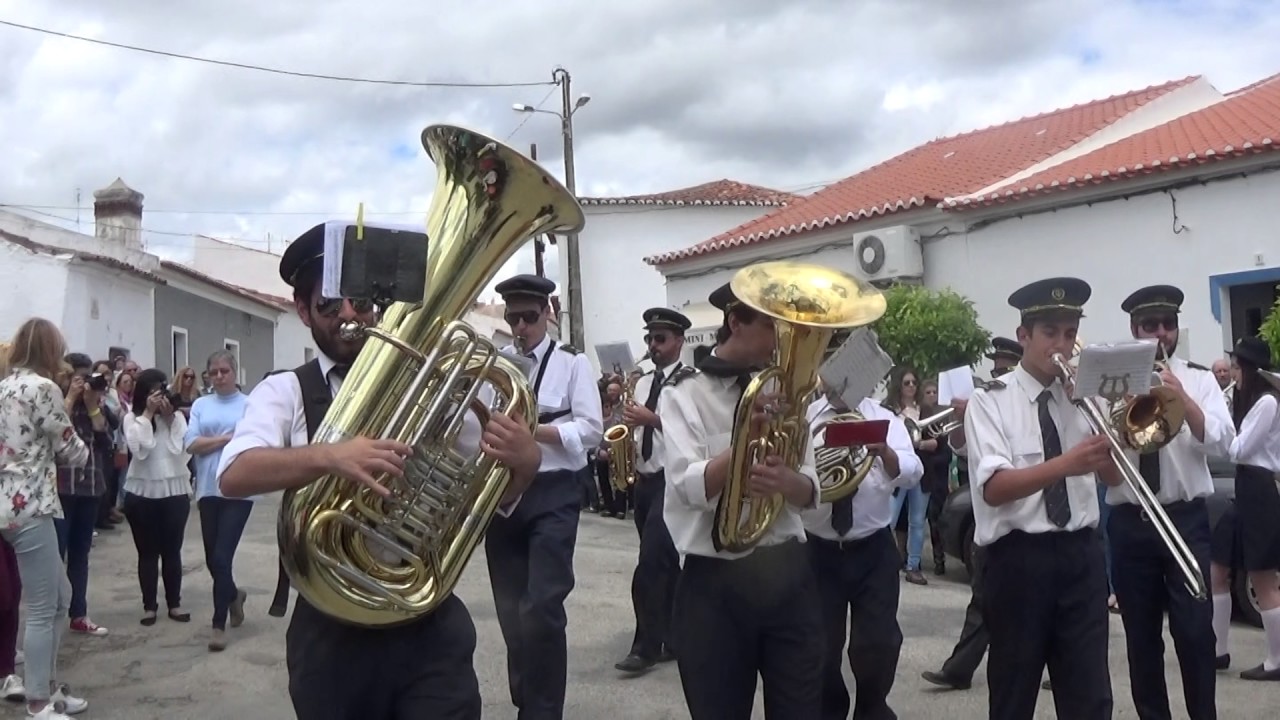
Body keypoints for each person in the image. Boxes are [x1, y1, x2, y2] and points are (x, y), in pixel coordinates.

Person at [216, 221, 542, 719]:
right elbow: (235, 473)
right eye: (329, 305)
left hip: (426, 620)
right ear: (302, 310)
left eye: (361, 303)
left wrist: (524, 462)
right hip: (330, 630)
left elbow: (486, 487)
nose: (349, 315)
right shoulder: (285, 390)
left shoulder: (436, 381)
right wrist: (332, 456)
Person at [659, 281, 825, 719]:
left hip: (789, 575)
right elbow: (685, 487)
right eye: (774, 326)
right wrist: (741, 441)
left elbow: (812, 490)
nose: (783, 339)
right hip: (715, 585)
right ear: (735, 322)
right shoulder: (683, 393)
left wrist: (787, 482)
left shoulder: (788, 394)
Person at [961, 277, 1123, 719]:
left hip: (1081, 557)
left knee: (1090, 698)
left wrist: (1093, 412)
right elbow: (994, 489)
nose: (1062, 345)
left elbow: (1113, 477)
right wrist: (1067, 463)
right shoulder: (989, 401)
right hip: (1018, 562)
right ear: (1024, 336)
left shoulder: (1084, 396)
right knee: (1014, 694)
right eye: (1050, 333)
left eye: (1070, 333)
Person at [1106, 285, 1233, 718]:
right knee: (1141, 640)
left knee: (1197, 635)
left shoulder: (1198, 377)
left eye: (1168, 324)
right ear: (1133, 329)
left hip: (1184, 519)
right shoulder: (1112, 381)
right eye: (1150, 325)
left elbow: (1221, 443)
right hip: (1129, 520)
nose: (1161, 333)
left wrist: (1183, 398)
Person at [484, 273, 603, 720]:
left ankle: (542, 711)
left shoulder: (573, 364)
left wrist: (533, 432)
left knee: (542, 606)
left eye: (529, 318)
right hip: (503, 491)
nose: (520, 327)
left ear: (548, 314)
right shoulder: (496, 364)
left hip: (554, 493)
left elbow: (591, 431)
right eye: (513, 317)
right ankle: (527, 700)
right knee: (511, 610)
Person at [806, 354, 923, 720]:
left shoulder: (885, 419)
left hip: (872, 547)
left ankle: (872, 708)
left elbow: (912, 471)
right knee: (821, 647)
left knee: (878, 643)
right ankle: (830, 709)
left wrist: (885, 454)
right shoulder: (806, 419)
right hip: (818, 549)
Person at [922, 335, 1025, 692]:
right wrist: (966, 420)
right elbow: (964, 452)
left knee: (999, 607)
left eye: (1006, 368)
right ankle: (959, 668)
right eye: (996, 368)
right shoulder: (987, 401)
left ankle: (960, 668)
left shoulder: (1024, 404)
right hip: (992, 525)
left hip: (1026, 523)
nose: (999, 374)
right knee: (983, 602)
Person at [0, 319, 92, 719]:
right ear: (50, 350)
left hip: (11, 503)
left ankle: (48, 688)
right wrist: (84, 452)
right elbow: (69, 447)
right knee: (42, 608)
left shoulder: (3, 387)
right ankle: (38, 703)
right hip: (32, 505)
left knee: (60, 599)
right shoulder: (43, 388)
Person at [613, 307, 690, 674]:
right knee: (666, 563)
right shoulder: (642, 381)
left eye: (660, 339)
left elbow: (692, 432)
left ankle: (644, 647)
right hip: (643, 481)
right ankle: (675, 637)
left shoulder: (691, 382)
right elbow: (633, 426)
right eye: (649, 339)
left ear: (679, 341)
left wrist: (652, 419)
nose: (653, 346)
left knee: (648, 564)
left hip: (671, 481)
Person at [1221, 336, 1280, 681]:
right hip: (1248, 487)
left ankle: (1275, 660)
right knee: (1246, 570)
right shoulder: (1253, 401)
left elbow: (1239, 450)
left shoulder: (1267, 403)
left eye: (1236, 366)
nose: (1232, 373)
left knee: (1263, 578)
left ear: (1248, 369)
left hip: (1259, 487)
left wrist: (1225, 423)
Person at [185, 350, 251, 652]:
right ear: (208, 375)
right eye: (214, 372)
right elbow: (191, 444)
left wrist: (213, 442)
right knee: (214, 560)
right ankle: (234, 594)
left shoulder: (249, 405)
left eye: (225, 371)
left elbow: (253, 442)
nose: (220, 376)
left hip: (239, 489)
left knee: (223, 557)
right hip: (208, 489)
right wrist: (226, 439)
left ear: (235, 372)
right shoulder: (201, 404)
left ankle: (218, 624)